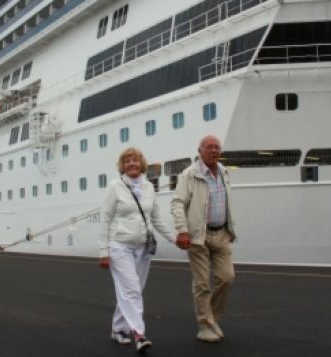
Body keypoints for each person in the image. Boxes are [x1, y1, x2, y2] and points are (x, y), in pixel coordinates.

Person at [99, 148, 177, 352]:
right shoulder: (115, 187)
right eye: (127, 161)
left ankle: (118, 329)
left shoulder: (149, 187)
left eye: (135, 161)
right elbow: (105, 219)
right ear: (122, 166)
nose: (131, 164)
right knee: (132, 289)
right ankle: (139, 334)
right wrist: (103, 251)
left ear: (141, 164)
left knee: (132, 290)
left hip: (143, 247)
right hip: (120, 246)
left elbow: (156, 218)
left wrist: (174, 239)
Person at [171, 135, 236, 343]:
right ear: (200, 151)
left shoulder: (224, 172)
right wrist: (182, 230)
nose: (214, 150)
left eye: (217, 147)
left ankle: (212, 318)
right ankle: (204, 326)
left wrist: (230, 228)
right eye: (209, 147)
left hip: (222, 233)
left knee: (227, 278)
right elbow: (177, 203)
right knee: (202, 284)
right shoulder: (190, 174)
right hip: (198, 235)